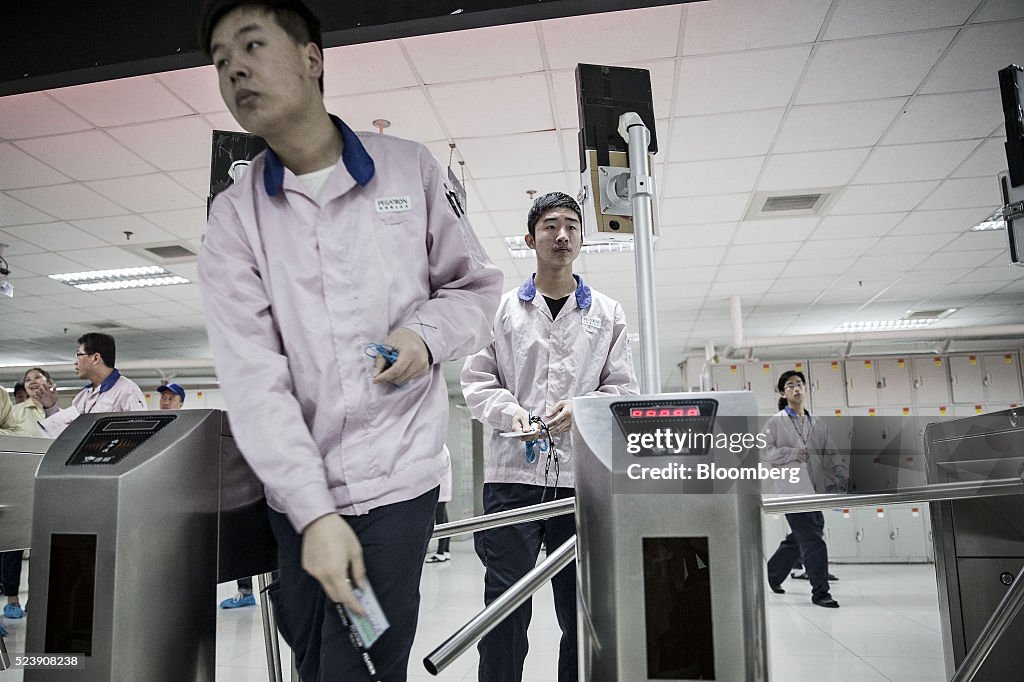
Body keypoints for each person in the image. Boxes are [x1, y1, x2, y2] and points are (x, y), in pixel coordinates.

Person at [196, 1, 502, 679]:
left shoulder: (407, 171)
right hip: (296, 499)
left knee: (357, 667)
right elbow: (254, 380)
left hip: (397, 486)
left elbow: (476, 290)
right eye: (221, 62)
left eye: (251, 46)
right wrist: (313, 515)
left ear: (312, 58)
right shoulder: (235, 217)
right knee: (317, 660)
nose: (235, 69)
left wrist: (425, 336)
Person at [461, 191, 639, 682]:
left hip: (582, 481)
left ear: (581, 239)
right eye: (550, 226)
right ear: (530, 238)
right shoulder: (501, 312)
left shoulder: (607, 313)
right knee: (504, 608)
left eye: (571, 227)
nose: (561, 235)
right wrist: (511, 412)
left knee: (582, 611)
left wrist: (582, 409)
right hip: (512, 476)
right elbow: (476, 381)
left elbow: (622, 389)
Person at [763, 370, 848, 608]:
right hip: (792, 491)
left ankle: (773, 572)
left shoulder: (816, 424)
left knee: (804, 535)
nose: (796, 388)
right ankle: (821, 592)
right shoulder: (775, 422)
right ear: (782, 392)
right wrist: (791, 453)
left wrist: (840, 478)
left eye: (799, 384)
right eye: (790, 385)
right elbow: (764, 451)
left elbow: (831, 453)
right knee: (813, 540)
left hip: (815, 490)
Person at [71, 332, 146, 416]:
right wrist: (53, 405)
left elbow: (139, 426)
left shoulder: (127, 391)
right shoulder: (83, 395)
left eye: (79, 355)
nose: (75, 362)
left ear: (96, 358)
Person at [425, 453, 453, 564]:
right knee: (443, 517)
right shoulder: (442, 450)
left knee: (441, 519)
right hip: (442, 488)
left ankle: (441, 552)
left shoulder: (439, 451)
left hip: (439, 488)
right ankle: (445, 550)